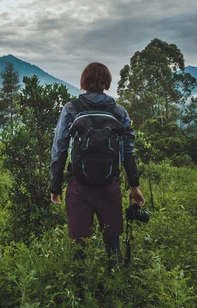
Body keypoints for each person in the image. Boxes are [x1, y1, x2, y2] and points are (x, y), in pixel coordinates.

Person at [49, 62, 145, 264]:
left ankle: (80, 290)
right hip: (110, 185)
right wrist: (134, 185)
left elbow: (60, 148)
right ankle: (114, 285)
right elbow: (128, 150)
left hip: (78, 186)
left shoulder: (71, 108)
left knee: (79, 245)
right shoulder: (119, 112)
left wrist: (55, 186)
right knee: (112, 242)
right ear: (107, 82)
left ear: (84, 82)